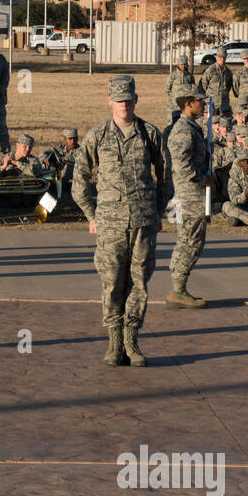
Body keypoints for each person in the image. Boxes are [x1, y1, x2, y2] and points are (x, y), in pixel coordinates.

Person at [73, 74, 169, 367]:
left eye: (128, 99)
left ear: (136, 100)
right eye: (119, 100)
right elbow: (80, 182)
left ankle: (132, 340)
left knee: (139, 283)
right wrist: (92, 215)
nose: (124, 105)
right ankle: (114, 342)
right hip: (110, 224)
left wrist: (158, 211)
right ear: (109, 101)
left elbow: (166, 176)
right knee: (112, 282)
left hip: (142, 222)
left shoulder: (150, 134)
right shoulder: (97, 136)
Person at [166, 89, 211, 309]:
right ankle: (178, 290)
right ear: (188, 103)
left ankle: (178, 288)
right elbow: (182, 165)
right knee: (191, 242)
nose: (203, 104)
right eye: (200, 101)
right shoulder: (183, 130)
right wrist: (202, 179)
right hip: (188, 195)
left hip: (190, 194)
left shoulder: (192, 128)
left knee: (189, 241)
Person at [199, 49, 233, 115]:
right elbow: (203, 85)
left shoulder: (228, 72)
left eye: (224, 57)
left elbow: (228, 86)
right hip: (212, 103)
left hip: (224, 104)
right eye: (220, 57)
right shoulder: (210, 70)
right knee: (211, 123)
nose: (222, 59)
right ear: (216, 57)